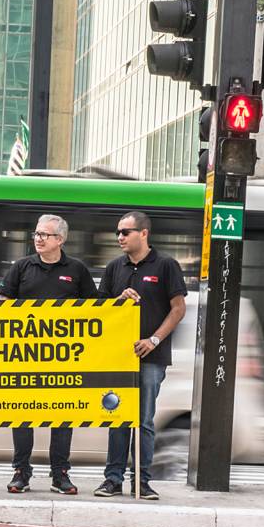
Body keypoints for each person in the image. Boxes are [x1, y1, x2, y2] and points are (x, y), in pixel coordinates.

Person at [0, 214, 98, 495]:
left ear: (61, 240)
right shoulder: (21, 267)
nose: (38, 239)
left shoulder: (76, 270)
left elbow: (96, 308)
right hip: (25, 355)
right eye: (37, 234)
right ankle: (21, 472)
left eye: (45, 235)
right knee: (22, 415)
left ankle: (60, 474)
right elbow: (2, 303)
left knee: (63, 416)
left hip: (64, 358)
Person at [93, 212, 186, 500]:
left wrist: (154, 340)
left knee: (144, 420)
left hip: (152, 357)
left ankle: (142, 482)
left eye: (125, 231)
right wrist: (119, 301)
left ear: (143, 233)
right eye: (118, 232)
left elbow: (178, 308)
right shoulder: (114, 267)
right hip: (119, 357)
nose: (119, 237)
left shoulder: (166, 265)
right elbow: (100, 309)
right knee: (117, 416)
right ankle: (112, 480)